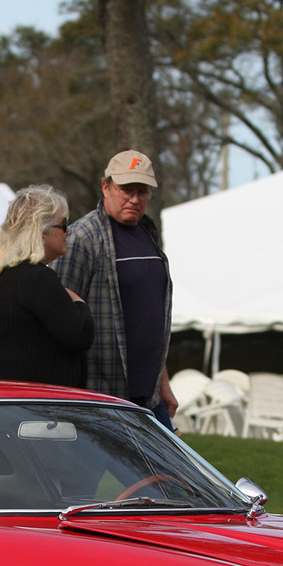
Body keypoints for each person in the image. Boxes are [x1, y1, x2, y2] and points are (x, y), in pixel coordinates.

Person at [51, 149, 178, 429]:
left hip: (149, 397)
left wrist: (163, 382)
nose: (134, 199)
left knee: (166, 474)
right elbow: (59, 320)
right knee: (86, 474)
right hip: (101, 398)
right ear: (106, 186)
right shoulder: (82, 238)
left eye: (142, 191)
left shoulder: (148, 234)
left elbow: (151, 319)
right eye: (126, 190)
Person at [0, 184, 95, 388]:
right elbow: (80, 335)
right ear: (41, 230)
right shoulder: (36, 279)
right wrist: (78, 300)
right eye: (63, 224)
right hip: (37, 409)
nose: (69, 230)